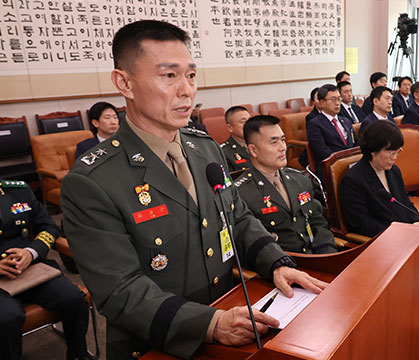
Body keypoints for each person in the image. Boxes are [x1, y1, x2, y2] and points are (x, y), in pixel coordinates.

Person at [60, 20, 327, 359]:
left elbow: (237, 217)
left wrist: (276, 263)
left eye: (191, 75)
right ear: (123, 82)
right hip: (157, 344)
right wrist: (210, 324)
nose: (186, 90)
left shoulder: (204, 149)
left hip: (232, 317)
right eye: (168, 76)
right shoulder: (92, 181)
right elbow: (120, 291)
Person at [0, 179, 88, 360]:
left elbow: (48, 226)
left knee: (74, 299)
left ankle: (77, 356)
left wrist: (30, 253)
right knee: (8, 319)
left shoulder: (18, 190)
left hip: (30, 271)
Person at [235, 116, 338, 254]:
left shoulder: (300, 179)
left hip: (315, 258)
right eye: (274, 142)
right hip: (282, 265)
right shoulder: (241, 193)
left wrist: (327, 253)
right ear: (253, 150)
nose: (282, 148)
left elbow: (318, 223)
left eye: (283, 140)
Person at [339, 121, 419, 237]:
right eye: (391, 152)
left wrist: (416, 220)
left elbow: (405, 203)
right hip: (383, 241)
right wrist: (399, 233)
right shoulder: (353, 180)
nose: (395, 157)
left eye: (397, 152)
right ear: (373, 151)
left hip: (408, 234)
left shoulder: (393, 171)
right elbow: (361, 224)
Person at [307, 84, 359, 180]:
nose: (337, 103)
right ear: (322, 103)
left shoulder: (346, 121)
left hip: (352, 165)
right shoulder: (314, 124)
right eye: (333, 100)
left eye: (339, 99)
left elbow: (356, 143)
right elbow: (322, 151)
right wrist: (343, 161)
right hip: (331, 168)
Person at [221, 106, 251, 172]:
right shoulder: (223, 152)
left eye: (249, 120)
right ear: (230, 128)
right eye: (243, 122)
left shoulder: (260, 144)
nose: (249, 124)